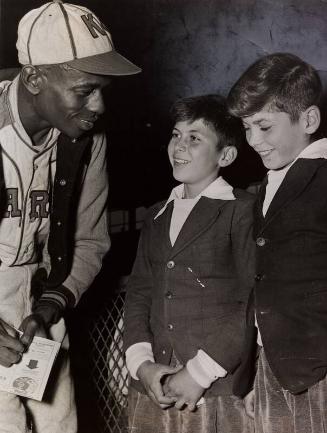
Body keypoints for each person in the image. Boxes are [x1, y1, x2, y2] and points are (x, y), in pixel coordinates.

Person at [0, 1, 141, 432]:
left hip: (42, 295)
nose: (98, 105)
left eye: (103, 90)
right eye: (84, 90)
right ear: (35, 77)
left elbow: (90, 241)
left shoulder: (83, 136)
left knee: (59, 424)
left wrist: (49, 306)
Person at [123, 94, 255, 433]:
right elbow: (139, 292)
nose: (179, 145)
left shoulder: (241, 210)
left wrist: (198, 373)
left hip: (213, 387)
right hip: (155, 386)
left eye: (194, 138)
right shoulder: (156, 215)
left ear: (225, 155)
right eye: (176, 134)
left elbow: (251, 302)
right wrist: (142, 366)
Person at [227, 52, 327, 433]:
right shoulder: (269, 185)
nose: (253, 141)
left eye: (264, 127)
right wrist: (254, 371)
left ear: (309, 119)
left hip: (318, 369)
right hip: (274, 368)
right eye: (246, 128)